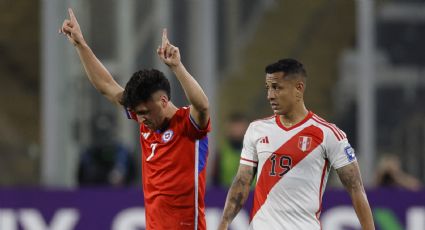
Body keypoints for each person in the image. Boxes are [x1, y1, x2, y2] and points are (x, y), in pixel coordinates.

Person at [60, 8, 211, 230]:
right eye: (137, 114)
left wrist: (177, 67)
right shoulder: (146, 119)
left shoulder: (189, 126)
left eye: (144, 113)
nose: (140, 120)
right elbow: (107, 87)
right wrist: (80, 45)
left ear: (162, 101)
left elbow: (203, 105)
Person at [218, 59, 375, 230]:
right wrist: (223, 225)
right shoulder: (257, 130)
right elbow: (241, 181)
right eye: (268, 88)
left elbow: (355, 188)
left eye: (277, 88)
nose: (270, 95)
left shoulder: (328, 134)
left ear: (299, 88)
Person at [214, 113, 249, 187]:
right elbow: (215, 179)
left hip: (252, 195)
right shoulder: (222, 152)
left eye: (239, 127)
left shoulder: (256, 152)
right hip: (225, 195)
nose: (237, 130)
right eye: (234, 127)